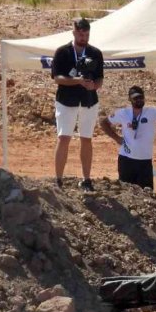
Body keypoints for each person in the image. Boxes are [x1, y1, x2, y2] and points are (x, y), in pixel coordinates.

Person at [99, 86, 156, 189]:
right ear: (130, 99)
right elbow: (103, 122)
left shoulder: (152, 112)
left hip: (144, 161)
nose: (139, 100)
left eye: (141, 97)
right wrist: (117, 138)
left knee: (146, 194)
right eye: (135, 98)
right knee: (127, 193)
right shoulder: (123, 113)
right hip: (126, 161)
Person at [52, 18, 104, 190]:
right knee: (64, 137)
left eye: (86, 34)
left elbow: (99, 79)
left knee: (86, 139)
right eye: (80, 34)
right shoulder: (62, 52)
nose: (83, 37)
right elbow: (57, 78)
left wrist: (92, 85)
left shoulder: (95, 53)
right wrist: (77, 81)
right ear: (74, 32)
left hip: (88, 101)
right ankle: (58, 179)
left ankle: (86, 179)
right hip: (67, 101)